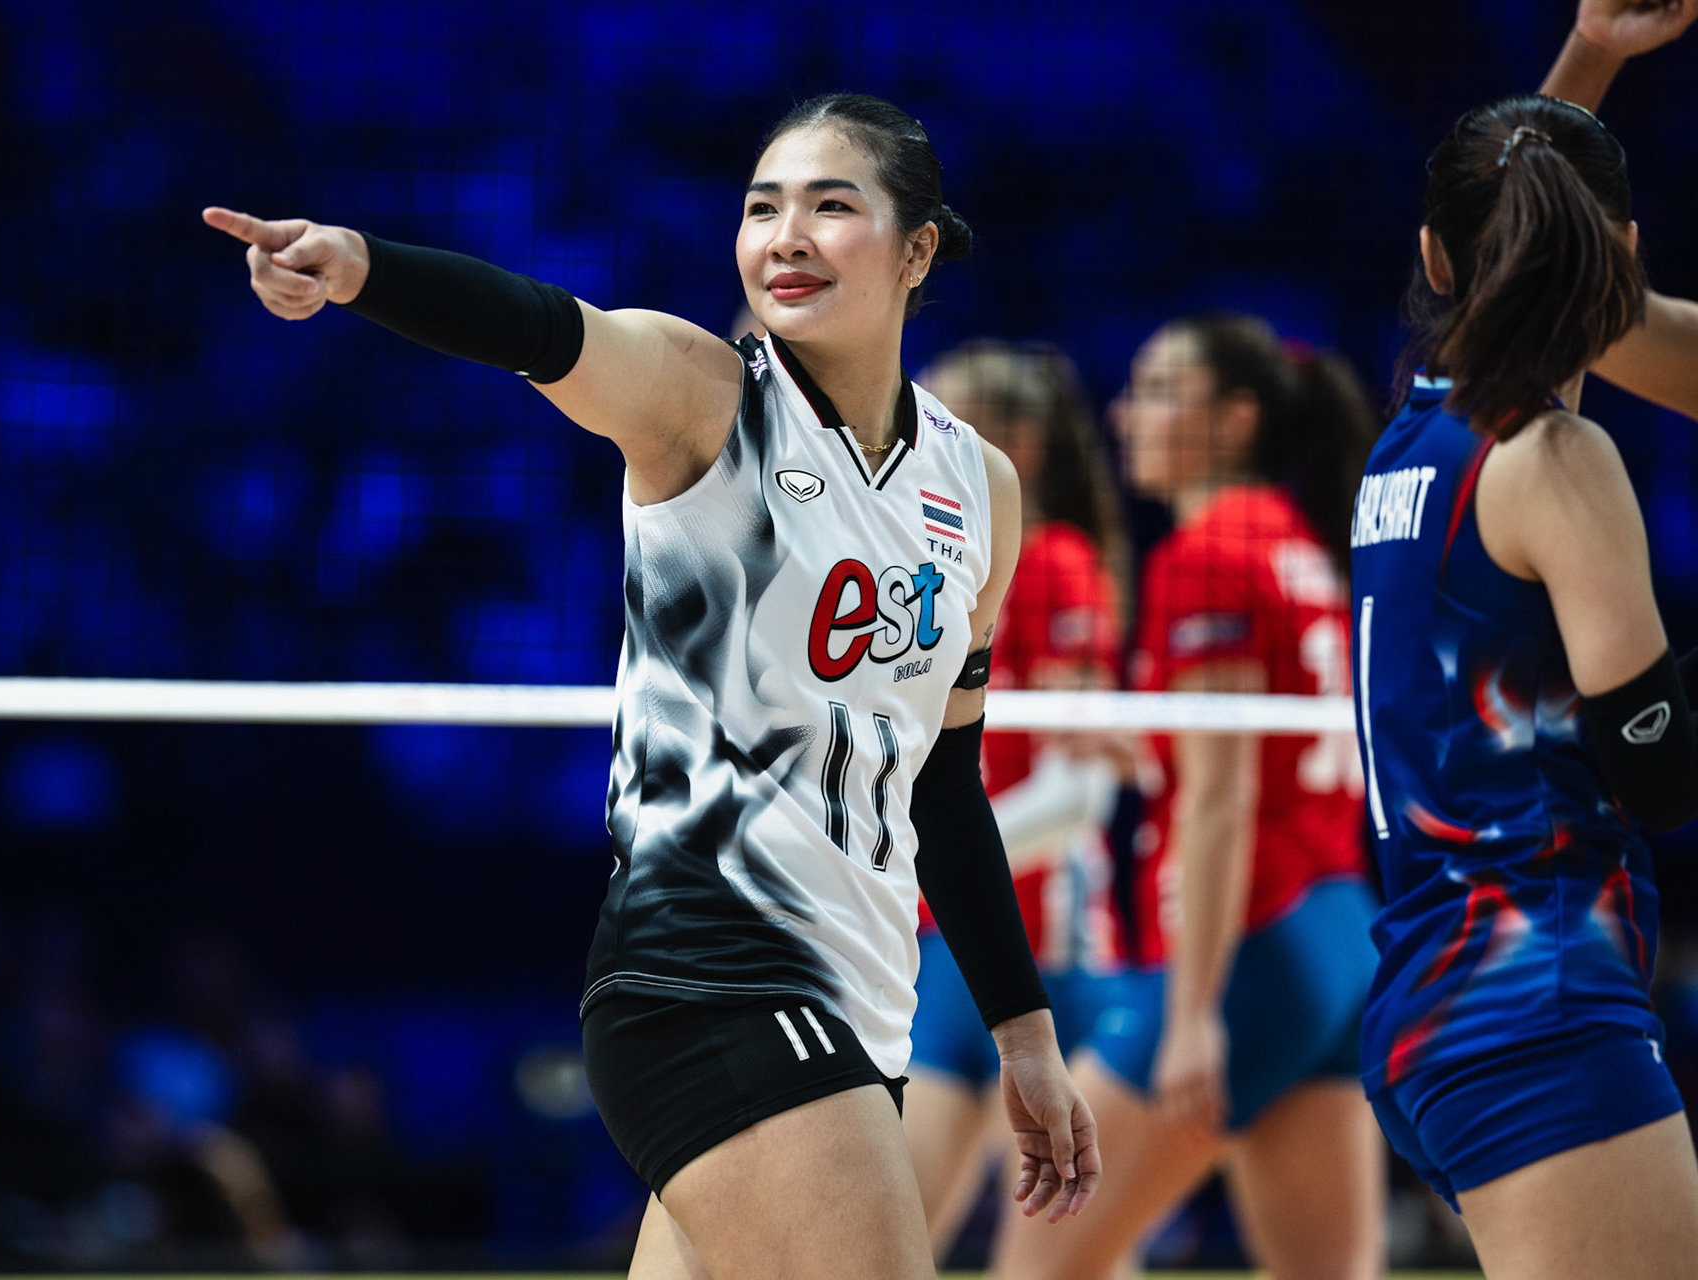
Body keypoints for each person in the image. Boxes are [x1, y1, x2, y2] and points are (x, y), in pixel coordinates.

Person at [203, 91, 1098, 1280]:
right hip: (711, 977)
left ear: (917, 247)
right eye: (762, 206)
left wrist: (1021, 1028)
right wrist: (361, 267)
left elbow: (942, 779)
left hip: (867, 1000)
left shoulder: (977, 488)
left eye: (832, 207)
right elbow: (538, 326)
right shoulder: (700, 395)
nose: (785, 234)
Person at [1354, 5, 1698, 1275]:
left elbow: (1520, 218)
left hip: (1444, 985)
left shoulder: (1414, 430)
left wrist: (1590, 53)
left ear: (1434, 260)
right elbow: (1660, 776)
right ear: (1629, 259)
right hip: (1536, 992)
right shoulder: (1561, 453)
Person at [996, 314, 1387, 1280]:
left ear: (1236, 420)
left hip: (1252, 947)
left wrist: (1193, 1014)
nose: (1126, 415)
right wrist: (1145, 743)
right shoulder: (1300, 547)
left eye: (1161, 390)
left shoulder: (1205, 556)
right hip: (1337, 934)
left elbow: (1224, 799)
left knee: (1037, 1269)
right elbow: (1257, 749)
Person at [902, 340, 1131, 1264]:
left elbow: (1081, 797)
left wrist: (916, 858)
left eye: (945, 424)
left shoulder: (1061, 559)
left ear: (1016, 449)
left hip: (1047, 946)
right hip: (947, 943)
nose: (921, 442)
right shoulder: (938, 562)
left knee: (1062, 1256)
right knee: (884, 1237)